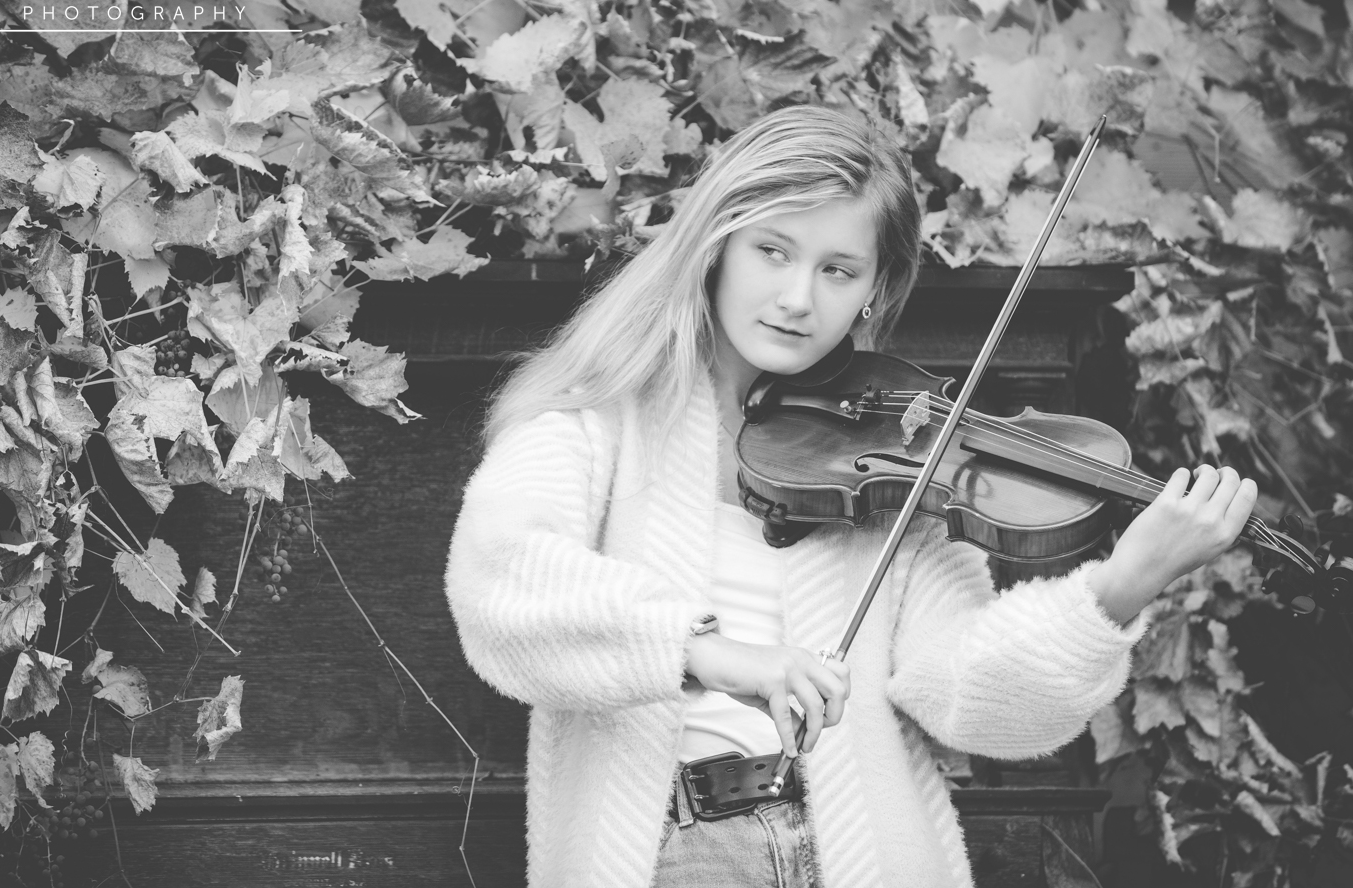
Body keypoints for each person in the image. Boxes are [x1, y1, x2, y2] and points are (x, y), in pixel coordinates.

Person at [443, 105, 1257, 888]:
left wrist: (1120, 588)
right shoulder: (596, 424)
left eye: (838, 270)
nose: (799, 297)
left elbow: (970, 701)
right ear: (717, 244)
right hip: (684, 851)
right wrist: (711, 652)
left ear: (874, 287)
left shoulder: (895, 461)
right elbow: (500, 579)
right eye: (773, 251)